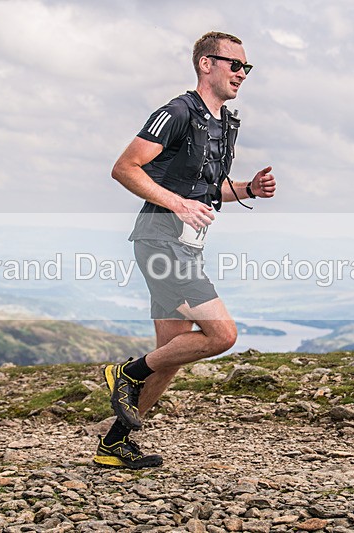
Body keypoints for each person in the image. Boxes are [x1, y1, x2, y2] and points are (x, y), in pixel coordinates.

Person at [93, 31, 277, 469]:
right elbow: (124, 168)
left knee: (172, 354)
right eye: (235, 64)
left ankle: (115, 444)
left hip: (184, 247)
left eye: (247, 67)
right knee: (222, 334)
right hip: (160, 241)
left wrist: (248, 188)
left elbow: (207, 189)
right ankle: (127, 373)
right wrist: (175, 203)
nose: (242, 74)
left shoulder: (224, 123)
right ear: (205, 64)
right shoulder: (176, 112)